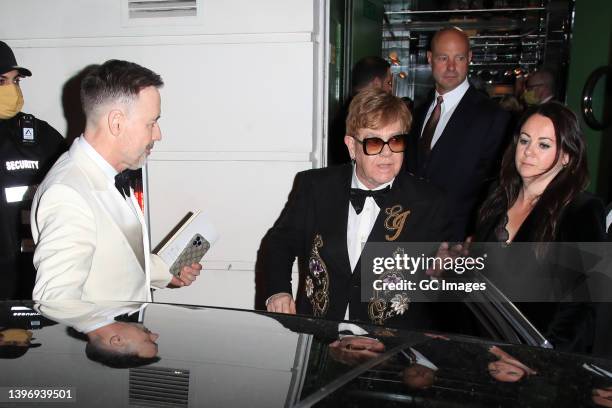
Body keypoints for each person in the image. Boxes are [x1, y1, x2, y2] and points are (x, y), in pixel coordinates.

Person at [259, 88, 460, 330]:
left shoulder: (430, 202)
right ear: (351, 146)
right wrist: (278, 291)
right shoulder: (314, 187)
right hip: (318, 335)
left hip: (391, 346)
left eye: (395, 140)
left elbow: (444, 285)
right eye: (374, 142)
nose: (387, 153)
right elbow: (279, 242)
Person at [31, 59, 201, 301]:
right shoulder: (67, 193)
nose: (158, 135)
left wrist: (166, 272)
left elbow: (116, 256)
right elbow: (57, 299)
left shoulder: (109, 174)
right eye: (151, 123)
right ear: (116, 122)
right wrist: (113, 336)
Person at [474, 102, 607, 352]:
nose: (528, 152)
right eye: (524, 141)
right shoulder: (497, 196)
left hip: (539, 360)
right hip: (484, 346)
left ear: (567, 156)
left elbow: (582, 305)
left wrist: (541, 359)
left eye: (543, 145)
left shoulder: (581, 210)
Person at [405, 27, 511, 241]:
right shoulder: (416, 115)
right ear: (430, 58)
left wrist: (478, 237)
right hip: (411, 237)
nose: (451, 67)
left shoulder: (494, 117)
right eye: (443, 58)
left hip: (460, 242)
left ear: (469, 58)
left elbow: (501, 186)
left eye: (459, 58)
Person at [0, 41, 67, 299]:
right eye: (1, 81)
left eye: (15, 81)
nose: (12, 90)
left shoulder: (38, 135)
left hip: (32, 282)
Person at [328, 56, 393, 165]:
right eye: (389, 83)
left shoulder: (342, 113)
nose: (390, 89)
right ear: (377, 83)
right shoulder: (364, 115)